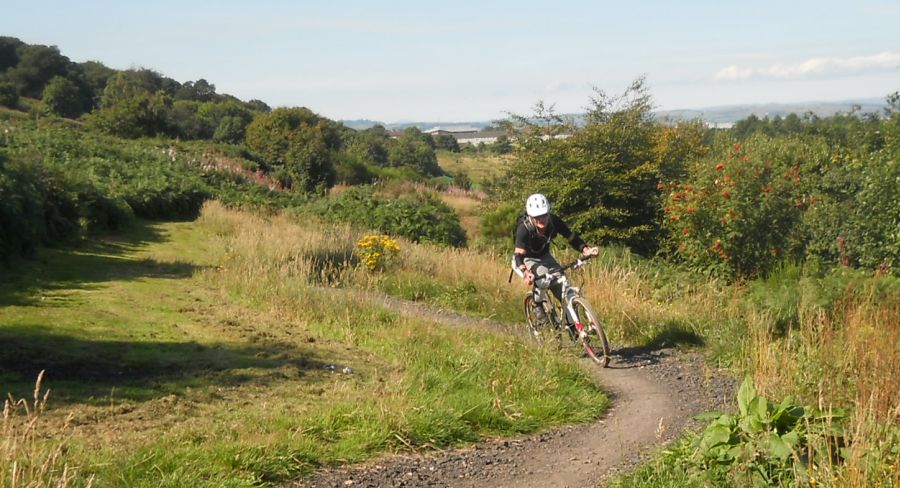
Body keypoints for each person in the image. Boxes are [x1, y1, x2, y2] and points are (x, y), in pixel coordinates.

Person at [513, 193, 599, 322]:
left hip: (544, 255)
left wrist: (586, 249)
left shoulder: (554, 221)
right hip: (527, 258)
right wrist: (526, 272)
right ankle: (537, 303)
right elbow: (518, 255)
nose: (542, 219)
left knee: (563, 287)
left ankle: (572, 326)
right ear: (531, 216)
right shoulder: (524, 229)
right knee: (544, 279)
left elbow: (571, 237)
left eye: (544, 215)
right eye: (537, 217)